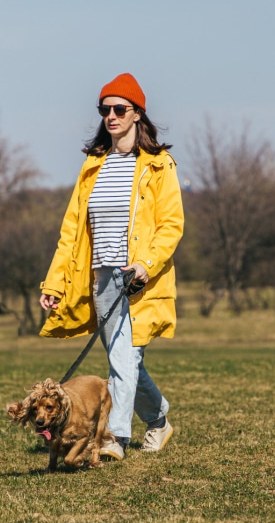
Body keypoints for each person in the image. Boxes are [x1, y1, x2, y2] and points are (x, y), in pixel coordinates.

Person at [38, 73, 184, 460]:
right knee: (127, 360)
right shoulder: (93, 165)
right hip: (101, 278)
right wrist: (53, 283)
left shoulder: (157, 164)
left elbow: (171, 224)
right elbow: (71, 231)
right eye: (105, 109)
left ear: (138, 114)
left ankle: (115, 437)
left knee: (124, 359)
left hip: (138, 279)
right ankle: (160, 420)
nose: (111, 116)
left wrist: (146, 264)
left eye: (120, 109)